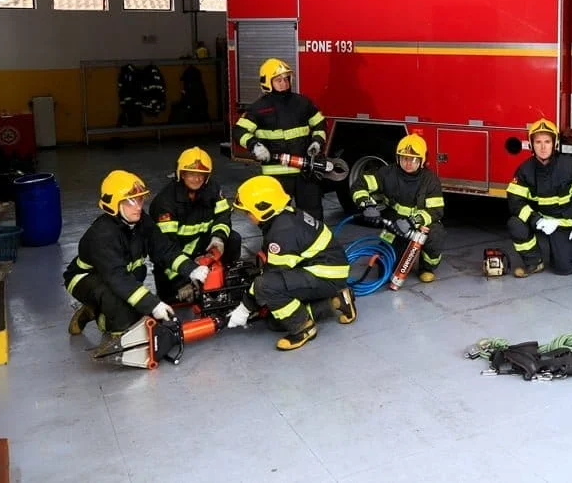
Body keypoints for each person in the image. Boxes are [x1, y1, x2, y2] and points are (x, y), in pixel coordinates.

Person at [65, 170, 209, 338]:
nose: (138, 206)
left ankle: (98, 308)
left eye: (140, 199)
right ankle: (107, 323)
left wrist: (191, 269)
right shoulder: (102, 236)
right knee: (123, 312)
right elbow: (118, 278)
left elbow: (164, 249)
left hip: (118, 277)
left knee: (136, 306)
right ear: (113, 204)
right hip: (86, 278)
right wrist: (154, 305)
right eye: (130, 201)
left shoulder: (142, 221)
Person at [226, 175, 355, 351]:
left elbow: (270, 280)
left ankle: (304, 328)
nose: (248, 217)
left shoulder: (281, 232)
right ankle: (338, 301)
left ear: (264, 208)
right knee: (275, 322)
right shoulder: (284, 216)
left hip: (326, 275)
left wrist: (245, 307)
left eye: (248, 212)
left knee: (265, 287)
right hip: (327, 269)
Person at [232, 57, 328, 221]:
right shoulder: (258, 109)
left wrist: (317, 142)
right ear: (267, 82)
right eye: (278, 80)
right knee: (278, 216)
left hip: (305, 171)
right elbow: (239, 131)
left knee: (313, 215)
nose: (284, 83)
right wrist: (255, 146)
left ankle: (315, 245)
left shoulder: (302, 103)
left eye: (286, 79)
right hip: (276, 175)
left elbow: (320, 123)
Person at [149, 147, 242, 303]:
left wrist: (217, 239)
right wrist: (182, 281)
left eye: (201, 175)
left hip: (203, 247)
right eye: (191, 174)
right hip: (175, 260)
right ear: (181, 174)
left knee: (233, 239)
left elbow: (223, 216)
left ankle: (222, 278)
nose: (197, 179)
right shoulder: (165, 204)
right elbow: (164, 249)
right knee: (175, 298)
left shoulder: (213, 189)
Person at [350, 134, 446, 283]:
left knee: (436, 236)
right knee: (387, 268)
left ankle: (426, 268)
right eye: (404, 158)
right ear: (397, 158)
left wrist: (412, 221)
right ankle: (389, 259)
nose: (408, 163)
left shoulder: (430, 180)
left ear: (422, 161)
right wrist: (367, 204)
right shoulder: (387, 173)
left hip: (420, 222)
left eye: (413, 160)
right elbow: (359, 185)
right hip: (394, 220)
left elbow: (436, 211)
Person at [506, 118, 572, 277]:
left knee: (564, 269)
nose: (543, 146)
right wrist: (537, 220)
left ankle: (564, 250)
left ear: (555, 143)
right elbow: (515, 201)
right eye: (538, 142)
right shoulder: (524, 170)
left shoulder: (571, 166)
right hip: (540, 220)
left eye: (547, 141)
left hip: (563, 223)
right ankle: (534, 262)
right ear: (532, 144)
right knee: (515, 224)